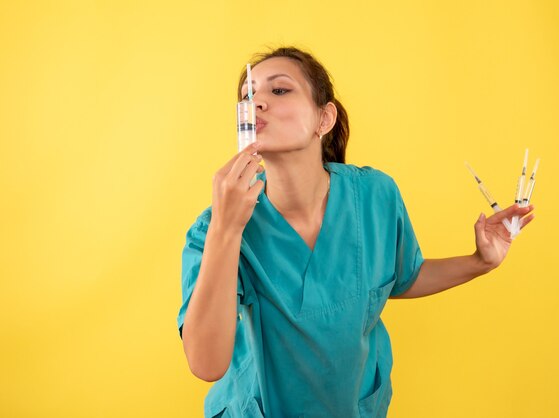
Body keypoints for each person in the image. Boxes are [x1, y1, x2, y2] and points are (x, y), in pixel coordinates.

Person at [177, 47, 534, 418]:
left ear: (324, 117)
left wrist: (480, 262)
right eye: (248, 96)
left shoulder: (374, 196)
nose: (258, 103)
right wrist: (226, 229)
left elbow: (400, 278)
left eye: (279, 90)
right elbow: (206, 364)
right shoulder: (213, 228)